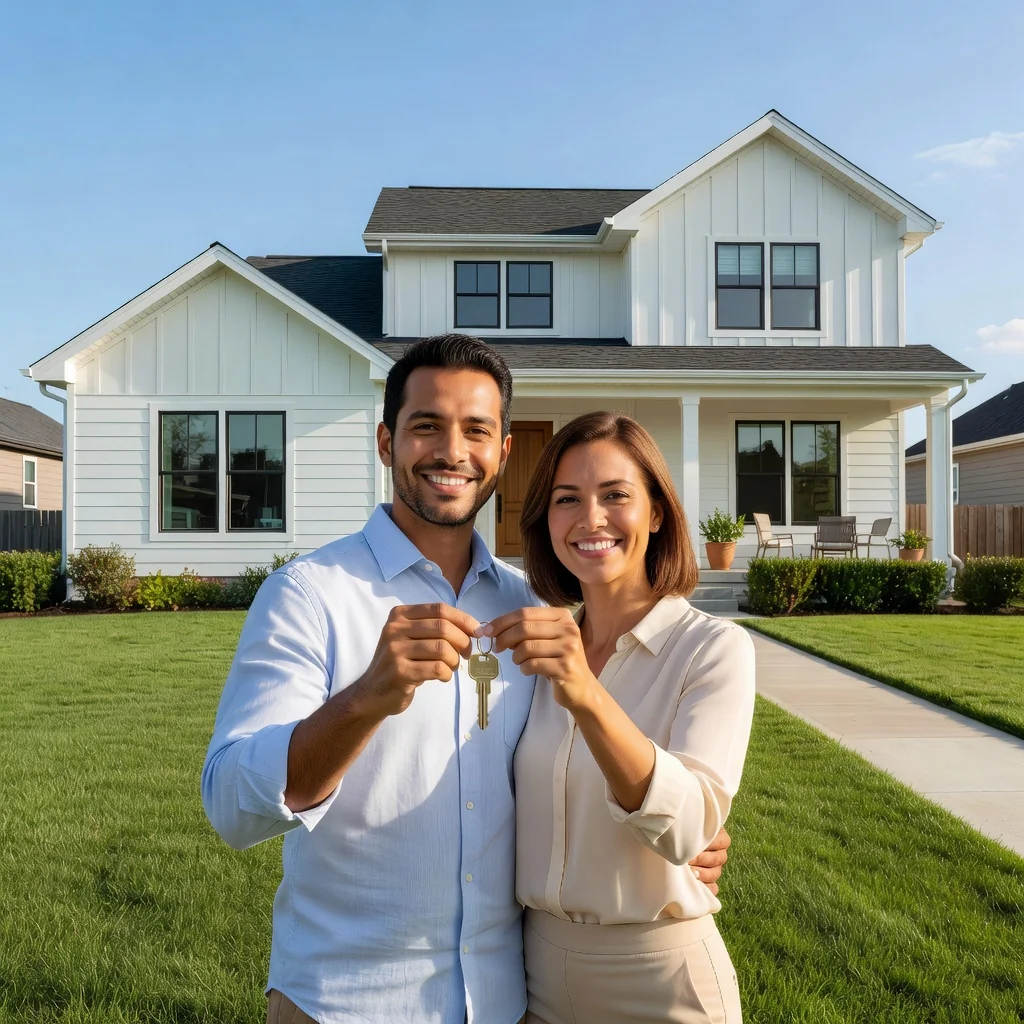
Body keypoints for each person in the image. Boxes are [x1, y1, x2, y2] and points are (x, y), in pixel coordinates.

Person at [201, 334, 731, 1024]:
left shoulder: (536, 610)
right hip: (345, 1002)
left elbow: (575, 774)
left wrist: (690, 829)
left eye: (476, 430)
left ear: (503, 455)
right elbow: (232, 807)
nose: (453, 451)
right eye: (427, 427)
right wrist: (365, 700)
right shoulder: (309, 594)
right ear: (387, 442)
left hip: (505, 1000)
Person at [485, 412, 755, 1023]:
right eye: (567, 499)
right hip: (532, 976)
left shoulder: (712, 649)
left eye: (616, 496)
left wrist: (585, 691)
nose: (591, 519)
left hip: (662, 983)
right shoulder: (531, 648)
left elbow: (688, 830)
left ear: (657, 512)